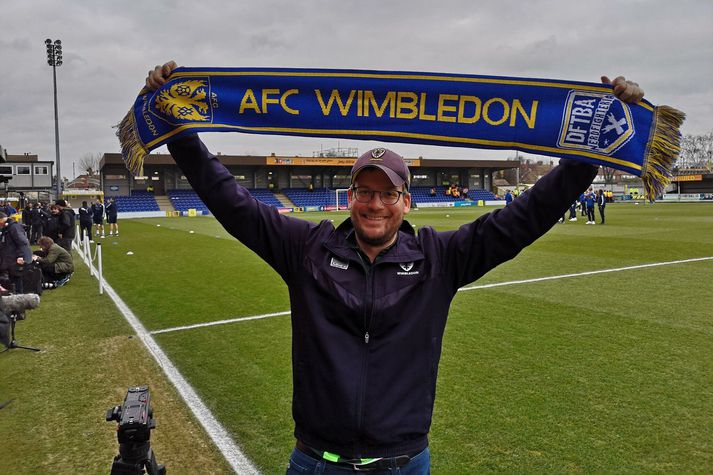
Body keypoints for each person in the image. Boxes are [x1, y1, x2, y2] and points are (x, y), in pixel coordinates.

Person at [146, 62, 644, 473]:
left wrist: (586, 158)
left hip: (404, 462)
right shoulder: (308, 249)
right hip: (317, 461)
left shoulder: (439, 257)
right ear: (351, 197)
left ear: (405, 201)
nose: (374, 204)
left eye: (387, 193)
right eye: (365, 191)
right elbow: (231, 201)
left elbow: (524, 218)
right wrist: (181, 133)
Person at [0, 211, 32, 293]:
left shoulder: (13, 227)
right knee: (13, 279)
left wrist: (21, 256)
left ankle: (19, 298)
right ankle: (15, 297)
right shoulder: (7, 228)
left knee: (16, 279)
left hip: (15, 258)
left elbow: (22, 242)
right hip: (10, 258)